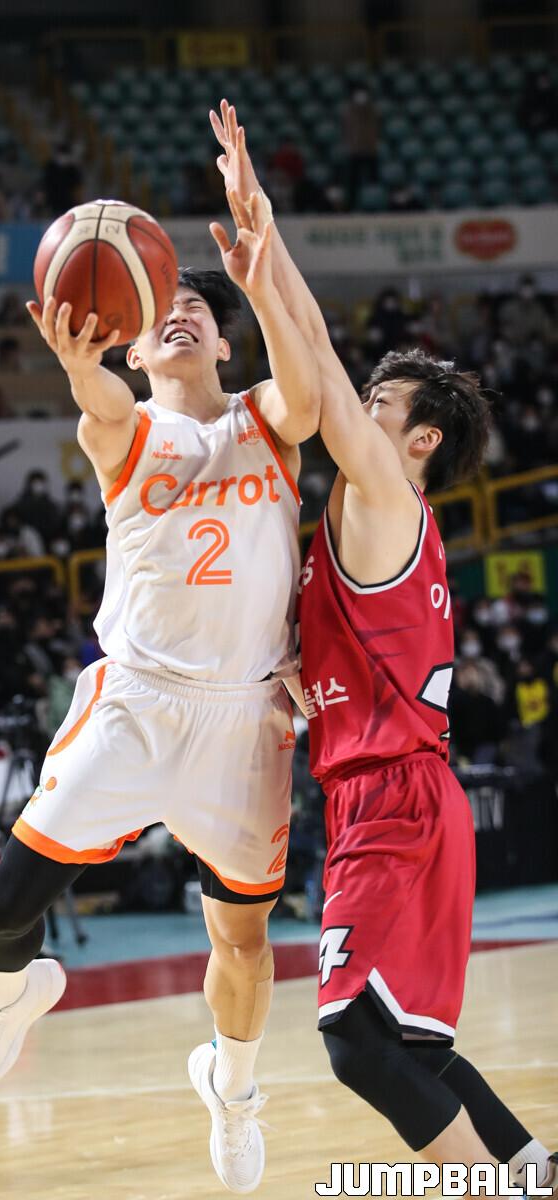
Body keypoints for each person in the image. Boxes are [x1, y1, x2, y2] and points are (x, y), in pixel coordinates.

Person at [212, 98, 558, 1197]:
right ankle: (533, 1172)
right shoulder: (377, 517)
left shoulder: (384, 500)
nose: (358, 407)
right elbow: (320, 359)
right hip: (401, 794)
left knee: (356, 1041)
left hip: (394, 798)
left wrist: (265, 264)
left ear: (420, 440)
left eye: (380, 403)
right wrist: (265, 247)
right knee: (409, 1043)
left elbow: (313, 362)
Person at [0, 206, 320, 1194]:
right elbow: (98, 402)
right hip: (135, 706)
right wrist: (78, 362)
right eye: (164, 309)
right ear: (134, 339)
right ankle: (12, 993)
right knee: (4, 913)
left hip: (245, 720)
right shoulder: (127, 428)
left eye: (199, 309)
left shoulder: (266, 418)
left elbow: (304, 392)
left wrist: (257, 280)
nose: (182, 315)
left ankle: (232, 1088)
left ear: (223, 341)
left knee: (243, 941)